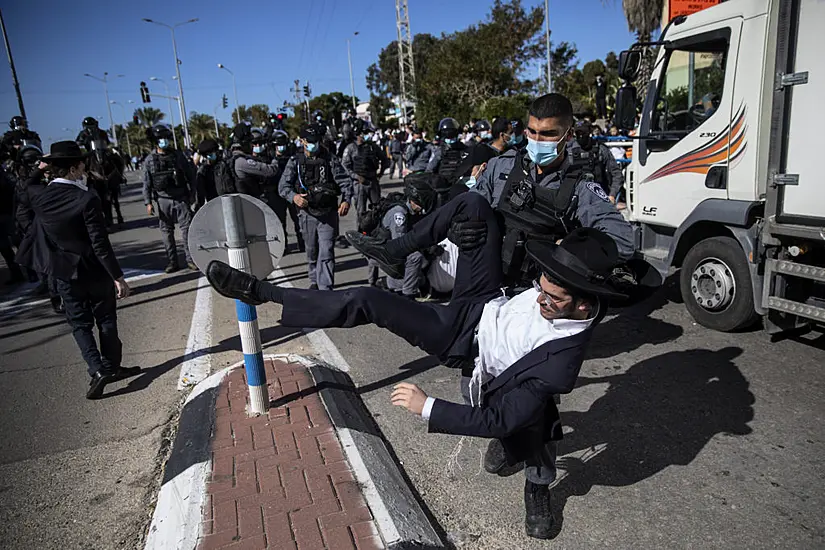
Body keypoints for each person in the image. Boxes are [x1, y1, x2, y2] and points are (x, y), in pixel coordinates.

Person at [205, 221, 624, 539]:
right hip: (471, 318)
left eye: (552, 299)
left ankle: (538, 487)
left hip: (496, 375)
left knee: (525, 426)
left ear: (584, 307)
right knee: (382, 286)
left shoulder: (556, 366)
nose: (539, 299)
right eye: (540, 286)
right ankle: (261, 290)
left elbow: (497, 419)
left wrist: (427, 406)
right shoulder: (548, 290)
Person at [15, 142, 140, 399]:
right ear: (74, 169)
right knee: (105, 319)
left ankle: (98, 370)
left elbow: (26, 189)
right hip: (93, 268)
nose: (85, 168)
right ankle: (110, 366)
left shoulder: (39, 196)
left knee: (80, 324)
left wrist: (40, 168)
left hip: (63, 270)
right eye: (81, 164)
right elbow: (99, 243)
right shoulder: (86, 198)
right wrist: (117, 276)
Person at [465, 93, 634, 272]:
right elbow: (469, 209)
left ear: (568, 135)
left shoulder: (580, 188)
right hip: (487, 275)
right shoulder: (500, 166)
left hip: (536, 291)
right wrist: (463, 229)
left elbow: (622, 241)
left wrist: (567, 247)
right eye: (532, 131)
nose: (537, 140)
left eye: (548, 134)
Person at [278, 124, 352, 290]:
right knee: (312, 251)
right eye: (310, 141)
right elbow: (283, 187)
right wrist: (294, 197)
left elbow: (345, 181)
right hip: (307, 214)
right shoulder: (295, 162)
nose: (314, 144)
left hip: (328, 214)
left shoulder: (330, 159)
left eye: (317, 141)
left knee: (327, 251)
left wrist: (346, 200)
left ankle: (325, 288)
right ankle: (314, 280)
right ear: (302, 141)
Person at [142, 124, 197, 273]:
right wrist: (148, 203)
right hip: (162, 201)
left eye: (166, 138)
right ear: (155, 141)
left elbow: (190, 174)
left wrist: (192, 193)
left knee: (187, 231)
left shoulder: (178, 156)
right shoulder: (150, 160)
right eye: (161, 139)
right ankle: (173, 262)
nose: (165, 141)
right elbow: (147, 183)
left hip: (180, 199)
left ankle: (191, 260)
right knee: (167, 233)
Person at [77, 117, 126, 228]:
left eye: (92, 125)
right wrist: (84, 141)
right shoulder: (83, 133)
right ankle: (83, 181)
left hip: (103, 151)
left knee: (117, 158)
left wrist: (105, 145)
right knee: (81, 164)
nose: (90, 128)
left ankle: (120, 174)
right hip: (91, 153)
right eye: (88, 126)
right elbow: (78, 142)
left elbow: (107, 142)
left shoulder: (102, 132)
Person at [567, 120, 624, 200]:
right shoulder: (569, 151)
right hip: (576, 197)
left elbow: (616, 173)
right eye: (578, 134)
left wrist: (612, 195)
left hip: (599, 197)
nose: (581, 136)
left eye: (583, 133)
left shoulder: (601, 149)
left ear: (589, 132)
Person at [342, 120, 383, 227]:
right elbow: (345, 166)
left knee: (378, 209)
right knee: (361, 212)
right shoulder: (351, 148)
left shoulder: (373, 147)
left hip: (373, 181)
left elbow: (385, 160)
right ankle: (361, 234)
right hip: (359, 184)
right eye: (364, 132)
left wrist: (380, 174)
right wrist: (356, 176)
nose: (367, 135)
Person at [270, 130, 304, 254]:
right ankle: (283, 246)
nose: (281, 147)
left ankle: (302, 242)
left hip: (292, 192)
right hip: (276, 194)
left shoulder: (292, 157)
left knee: (298, 219)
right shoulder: (271, 159)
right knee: (280, 221)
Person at [231, 124, 280, 199]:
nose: (253, 146)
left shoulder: (239, 159)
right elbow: (271, 171)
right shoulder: (242, 162)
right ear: (244, 143)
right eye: (251, 143)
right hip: (251, 203)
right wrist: (275, 158)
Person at [192, 139, 220, 210]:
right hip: (213, 204)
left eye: (212, 152)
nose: (211, 155)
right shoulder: (203, 171)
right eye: (208, 154)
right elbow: (200, 192)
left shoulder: (224, 165)